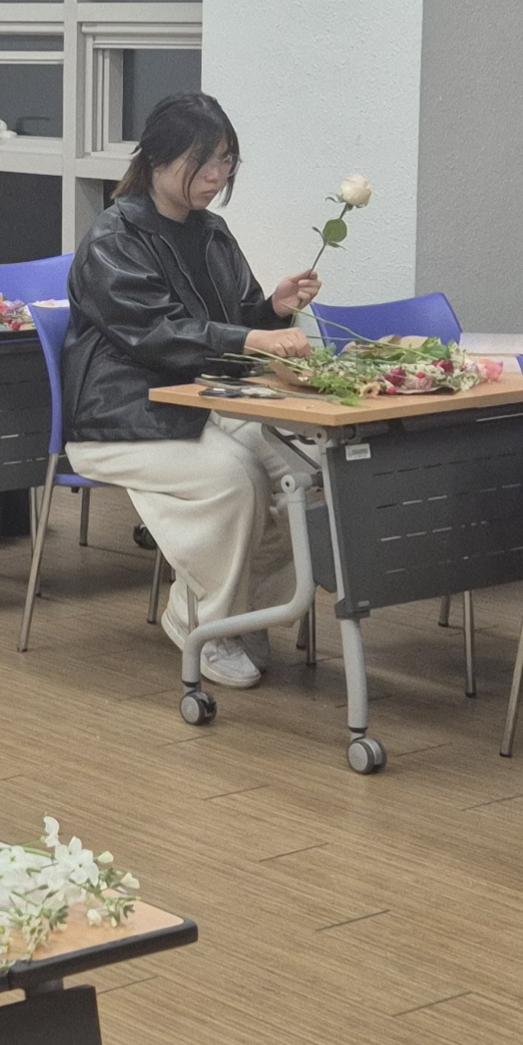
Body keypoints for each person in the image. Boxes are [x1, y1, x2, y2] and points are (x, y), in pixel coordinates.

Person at [60, 94, 324, 689]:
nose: (216, 176)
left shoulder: (212, 232)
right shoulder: (113, 238)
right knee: (234, 479)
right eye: (202, 161)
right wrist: (253, 334)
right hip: (122, 415)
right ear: (157, 158)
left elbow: (234, 323)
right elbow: (158, 334)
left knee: (304, 477)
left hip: (200, 404)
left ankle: (246, 610)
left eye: (226, 161)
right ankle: (204, 623)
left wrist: (273, 309)